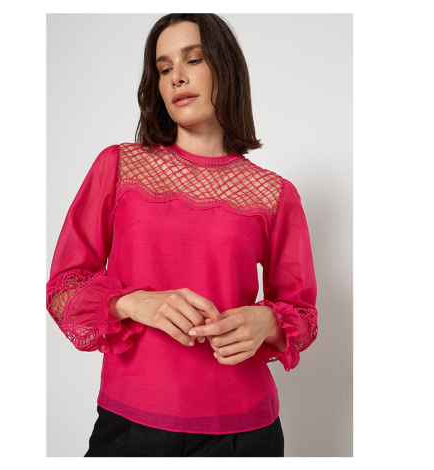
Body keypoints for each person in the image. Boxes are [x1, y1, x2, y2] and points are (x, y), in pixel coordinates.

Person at [46, 13, 318, 457]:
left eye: (193, 60)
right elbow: (62, 290)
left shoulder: (274, 194)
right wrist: (133, 302)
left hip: (245, 432)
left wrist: (266, 321)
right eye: (164, 68)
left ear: (225, 69)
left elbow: (302, 314)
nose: (177, 77)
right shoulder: (119, 167)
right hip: (132, 424)